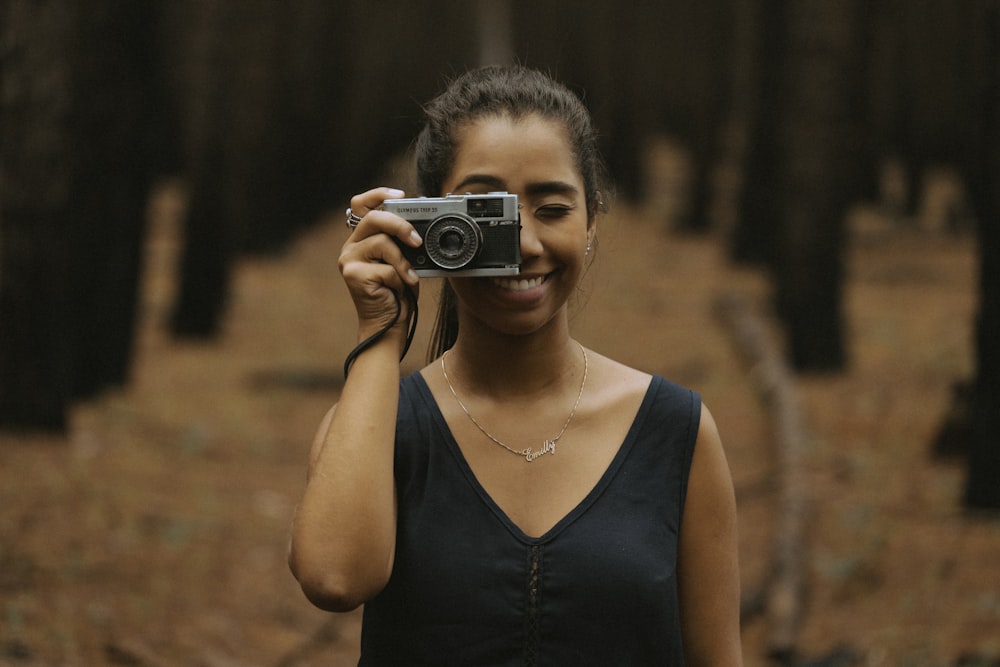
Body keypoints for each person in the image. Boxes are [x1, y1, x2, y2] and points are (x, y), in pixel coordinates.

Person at [288, 64, 743, 665]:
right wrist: (380, 334)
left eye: (552, 208)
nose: (523, 243)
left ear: (591, 223)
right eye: (483, 214)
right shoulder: (380, 428)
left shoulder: (674, 432)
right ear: (423, 226)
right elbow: (334, 579)